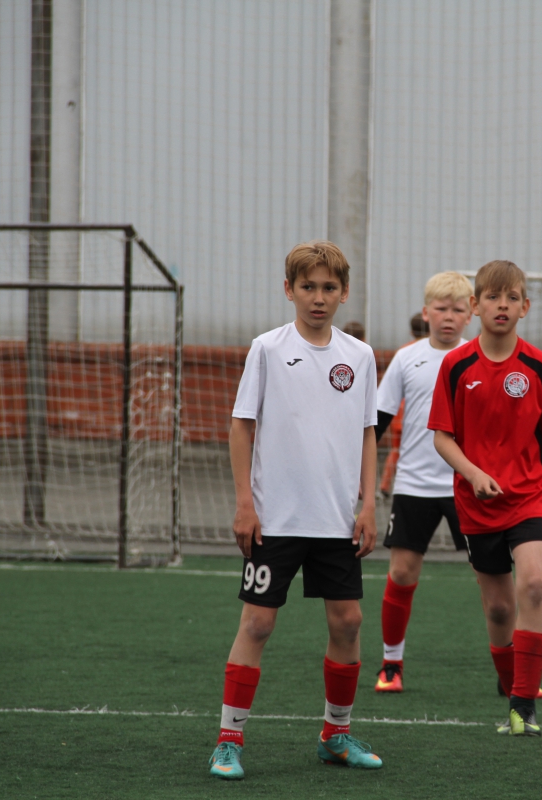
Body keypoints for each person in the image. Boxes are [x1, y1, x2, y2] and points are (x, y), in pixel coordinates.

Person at [209, 240, 382, 781]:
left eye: (329, 287)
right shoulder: (267, 348)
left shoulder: (361, 355)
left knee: (349, 621)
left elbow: (368, 432)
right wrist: (245, 504)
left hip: (337, 519)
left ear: (344, 293)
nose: (318, 297)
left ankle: (335, 735)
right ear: (289, 290)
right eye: (308, 286)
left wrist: (370, 503)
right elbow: (241, 426)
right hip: (275, 519)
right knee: (258, 623)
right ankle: (228, 742)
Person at [428, 260, 542, 737]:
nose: (502, 305)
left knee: (533, 585)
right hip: (476, 504)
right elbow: (442, 437)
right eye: (493, 297)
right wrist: (473, 474)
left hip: (531, 496)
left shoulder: (540, 366)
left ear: (525, 307)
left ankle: (523, 707)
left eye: (512, 297)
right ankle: (510, 683)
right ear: (475, 306)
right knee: (497, 608)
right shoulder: (456, 365)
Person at [372, 274, 472, 693]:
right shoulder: (406, 357)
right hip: (413, 485)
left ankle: (513, 673)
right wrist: (354, 473)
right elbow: (378, 420)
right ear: (426, 312)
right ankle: (391, 664)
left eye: (457, 310)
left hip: (469, 485)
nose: (449, 317)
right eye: (441, 309)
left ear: (471, 314)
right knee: (401, 573)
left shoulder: (480, 358)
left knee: (494, 577)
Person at [378, 312, 431, 499]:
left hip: (398, 414)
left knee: (396, 450)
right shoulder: (431, 352)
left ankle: (384, 486)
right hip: (419, 416)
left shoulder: (403, 351)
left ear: (410, 332)